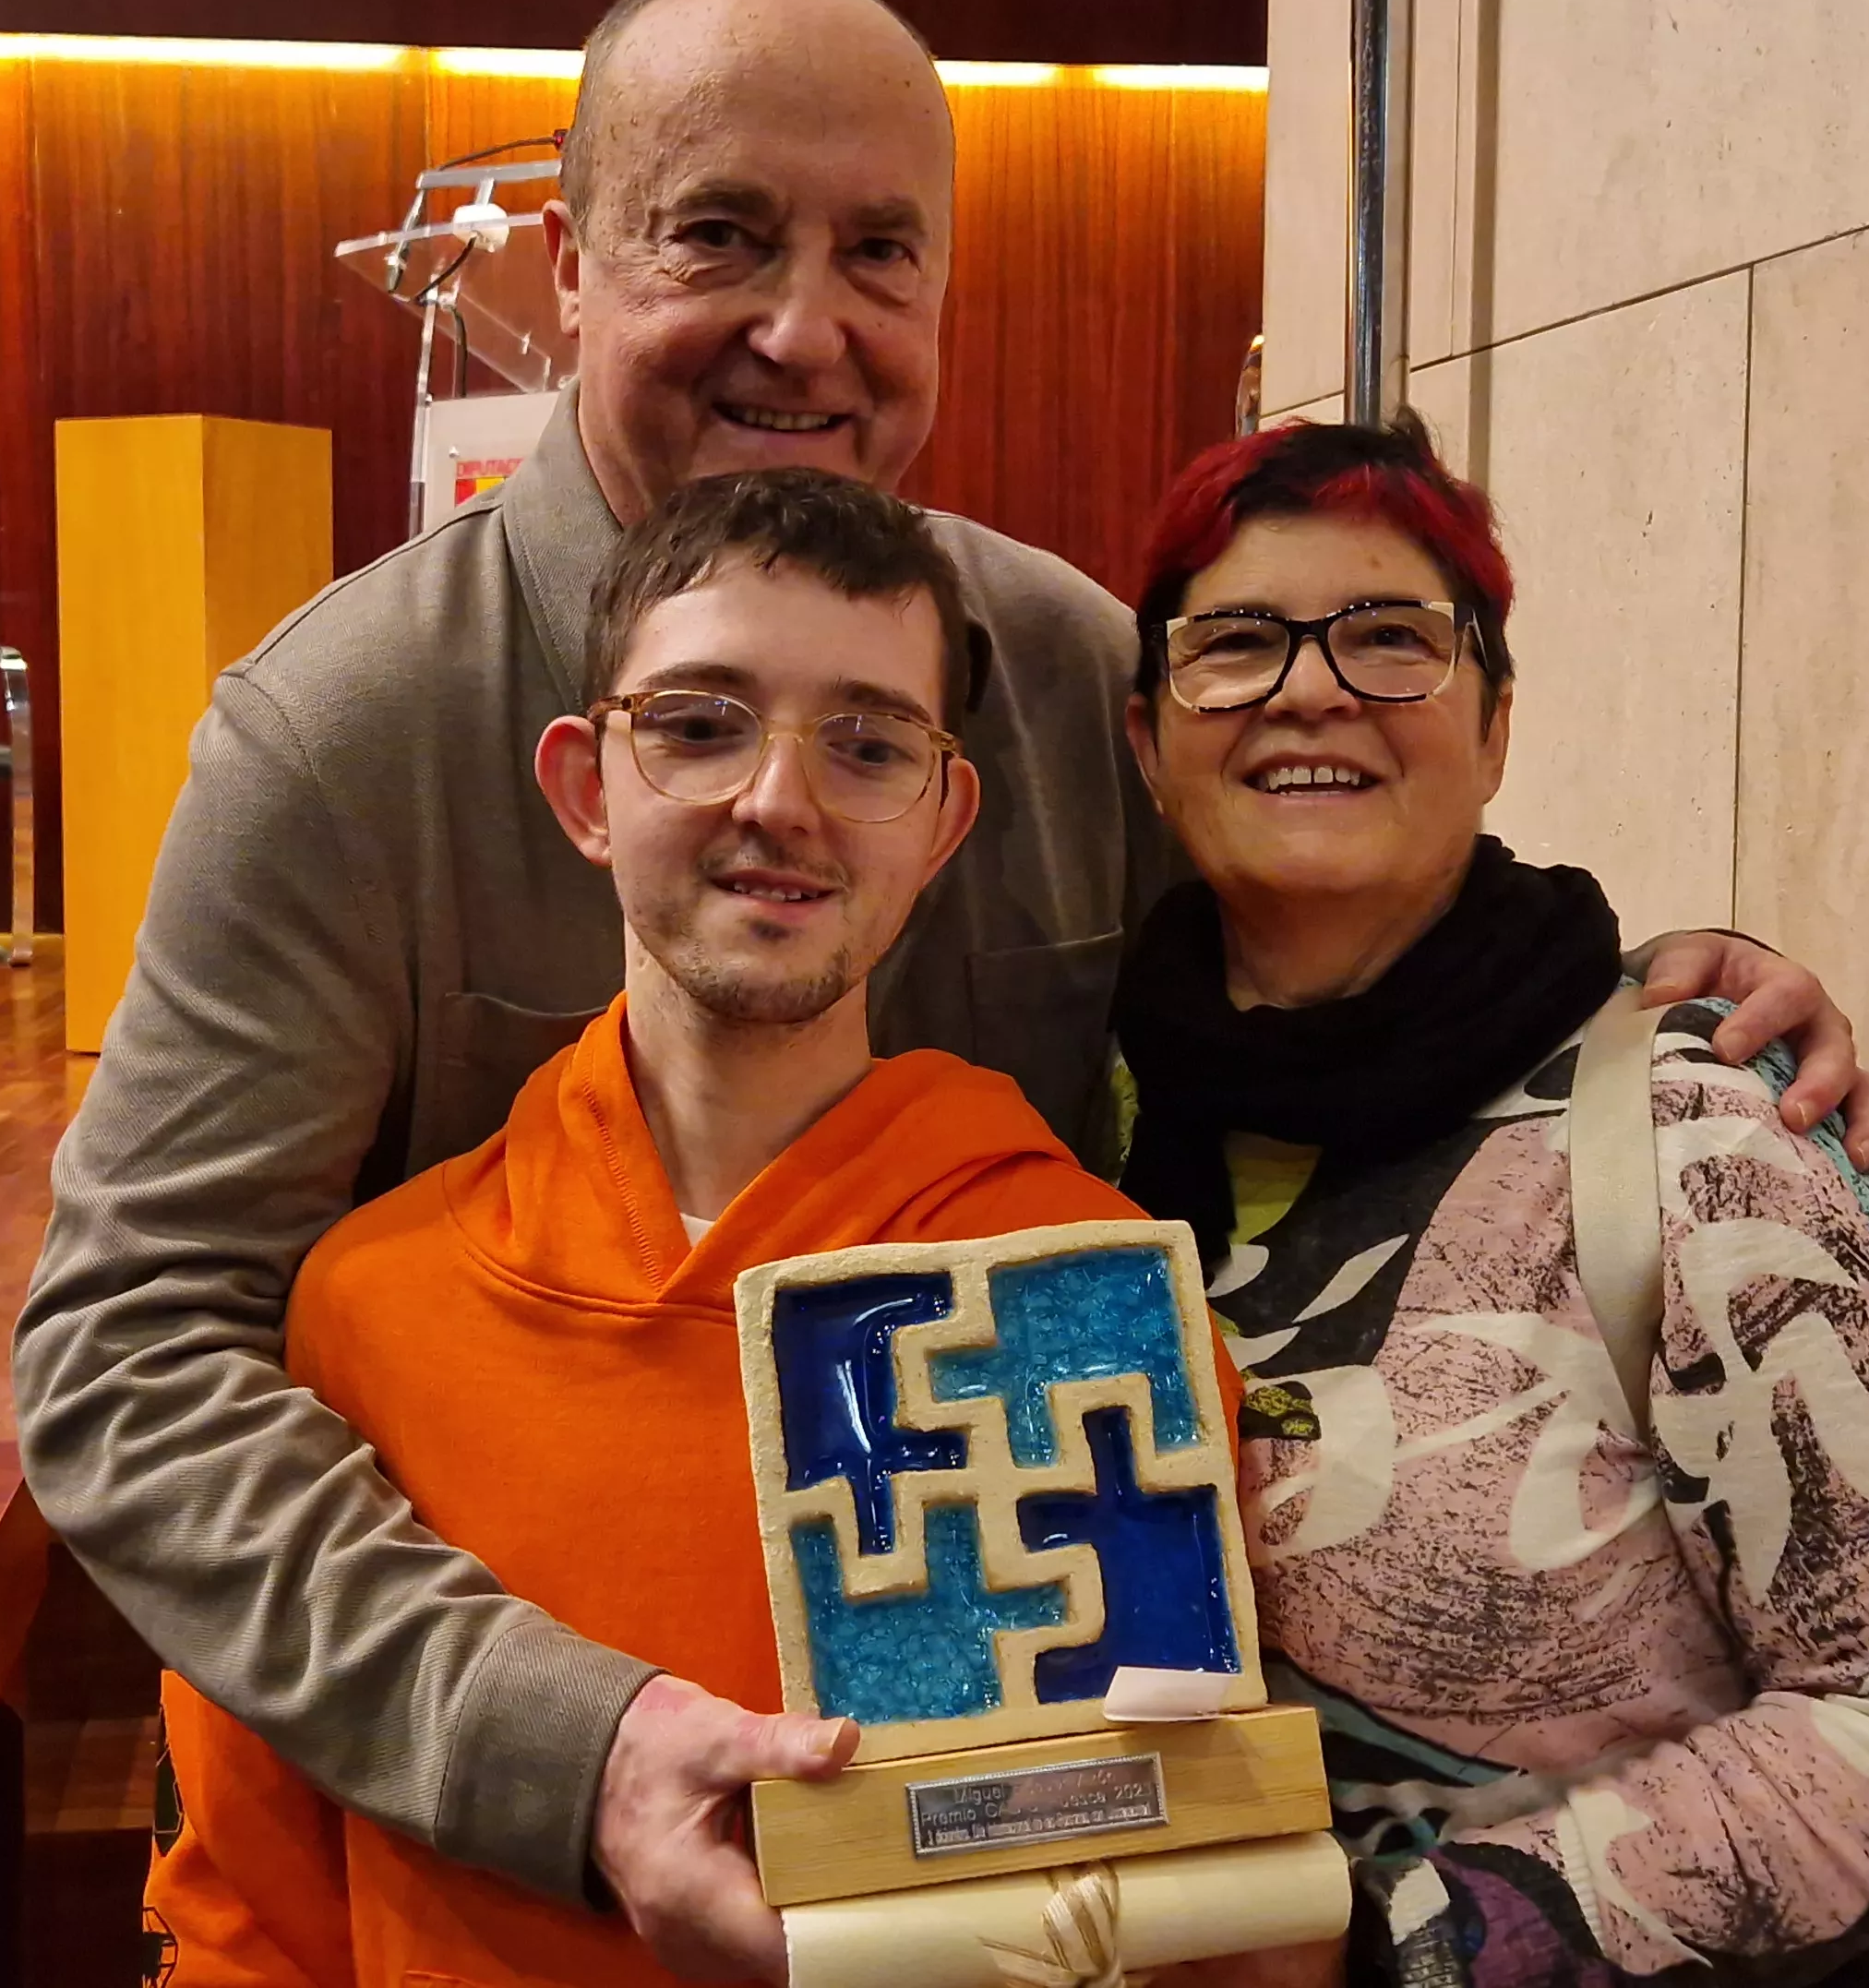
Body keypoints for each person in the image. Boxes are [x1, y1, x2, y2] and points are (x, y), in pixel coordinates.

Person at [18, 0, 1869, 1974]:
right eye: (718, 235)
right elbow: (129, 1359)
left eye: (880, 254)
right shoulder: (340, 735)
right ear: (566, 265)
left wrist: (1607, 990)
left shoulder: (1065, 662)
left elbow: (1321, 955)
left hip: (1028, 1815)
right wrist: (571, 1747)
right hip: (502, 1840)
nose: (803, 329)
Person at [147, 467, 1157, 1985]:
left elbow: (1107, 1885)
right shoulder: (371, 1310)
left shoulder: (1067, 1293)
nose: (779, 800)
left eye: (868, 742)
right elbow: (253, 1915)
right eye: (698, 725)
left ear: (944, 821)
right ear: (582, 789)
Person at [1109, 421, 1869, 1986]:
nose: (1312, 689)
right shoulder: (1084, 1125)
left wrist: (1383, 1955)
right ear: (1148, 738)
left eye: (1391, 639)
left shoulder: (1703, 1129)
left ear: (1494, 726)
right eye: (1238, 645)